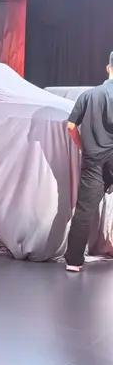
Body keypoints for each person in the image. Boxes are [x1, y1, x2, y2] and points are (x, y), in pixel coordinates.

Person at [65, 51, 113, 272]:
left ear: (108, 68)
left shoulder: (89, 95)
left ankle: (74, 261)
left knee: (84, 210)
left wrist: (82, 146)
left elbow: (70, 126)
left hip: (93, 160)